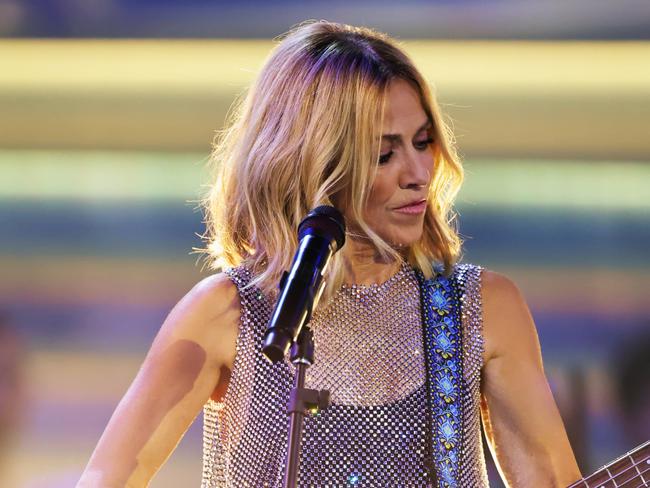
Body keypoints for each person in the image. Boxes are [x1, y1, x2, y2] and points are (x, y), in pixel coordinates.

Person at [77, 21, 582, 487]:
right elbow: (107, 476)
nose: (418, 173)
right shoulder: (230, 313)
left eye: (423, 142)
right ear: (314, 164)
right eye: (385, 153)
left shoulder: (480, 307)